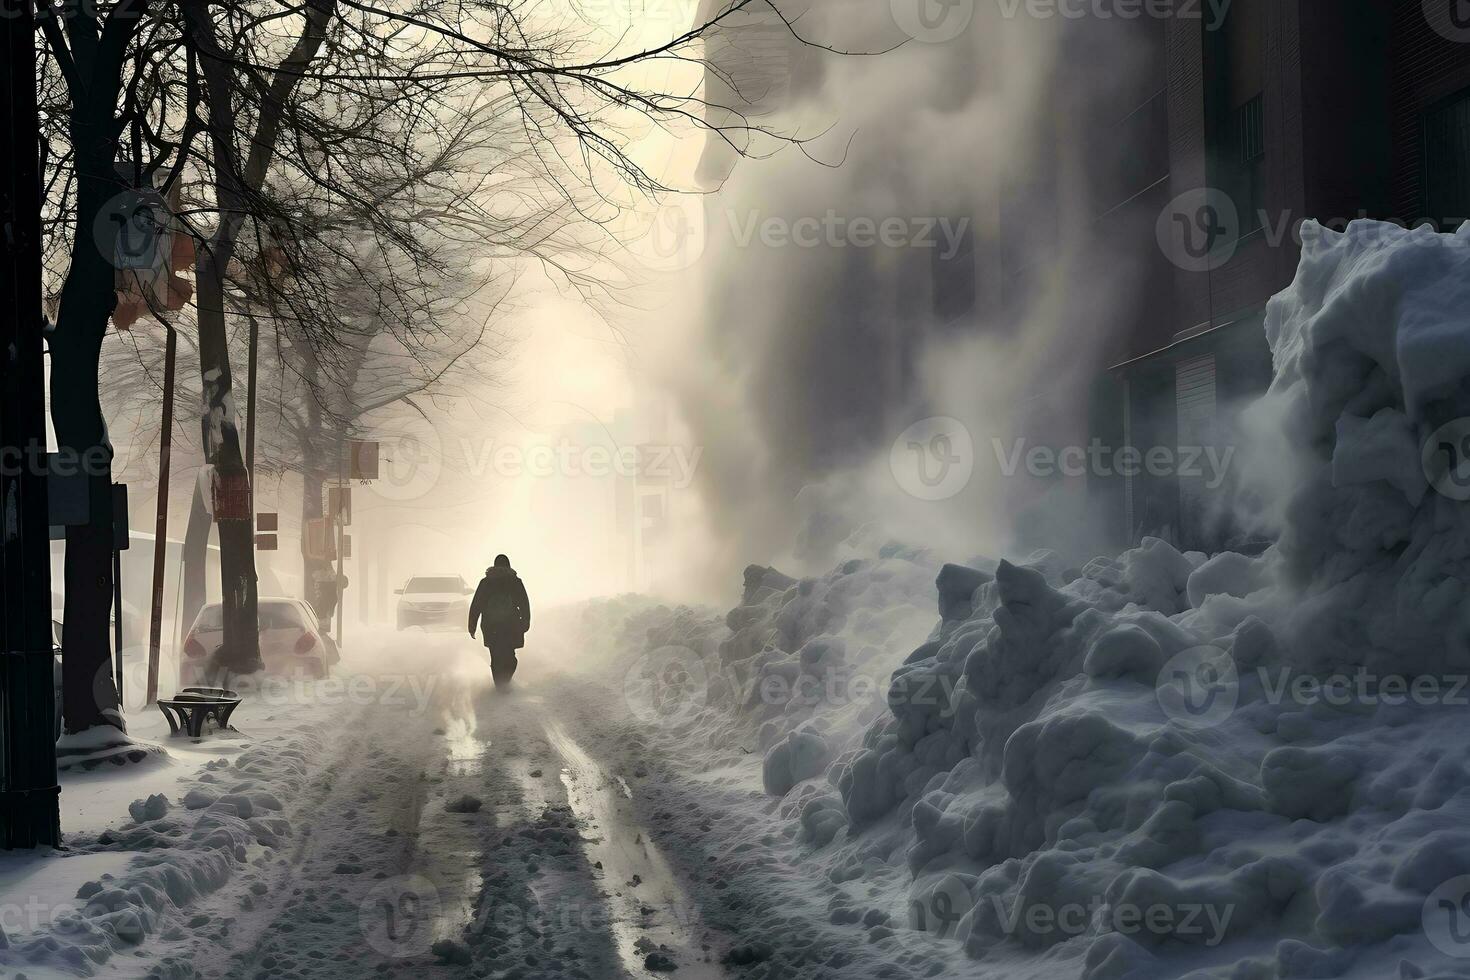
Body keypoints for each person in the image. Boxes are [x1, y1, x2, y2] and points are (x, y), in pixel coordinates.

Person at [468, 555, 531, 688]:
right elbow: (524, 603)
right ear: (508, 565)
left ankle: (499, 685)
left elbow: (476, 605)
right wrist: (525, 622)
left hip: (491, 625)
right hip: (511, 625)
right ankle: (505, 681)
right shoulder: (515, 581)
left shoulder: (485, 582)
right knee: (510, 656)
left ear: (494, 566)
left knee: (495, 656)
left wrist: (472, 626)